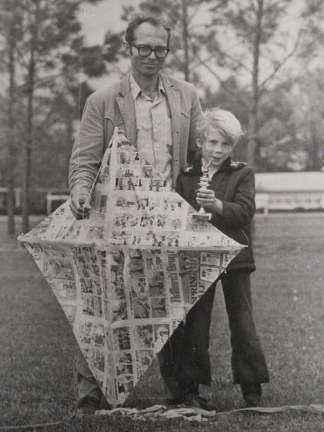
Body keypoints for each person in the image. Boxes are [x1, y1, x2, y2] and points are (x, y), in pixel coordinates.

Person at [68, 14, 204, 414]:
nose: (151, 56)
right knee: (102, 307)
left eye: (160, 49)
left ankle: (183, 391)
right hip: (117, 222)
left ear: (167, 51)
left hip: (168, 220)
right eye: (143, 47)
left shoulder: (186, 97)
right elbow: (84, 161)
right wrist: (79, 190)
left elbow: (200, 155)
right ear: (128, 48)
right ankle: (92, 396)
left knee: (174, 307)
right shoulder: (102, 101)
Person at [158, 108, 269, 409]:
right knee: (196, 322)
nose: (218, 151)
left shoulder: (242, 173)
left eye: (225, 145)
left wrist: (218, 204)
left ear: (232, 147)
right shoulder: (187, 175)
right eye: (212, 143)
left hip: (236, 258)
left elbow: (245, 213)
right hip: (198, 258)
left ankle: (251, 390)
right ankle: (191, 389)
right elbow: (177, 219)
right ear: (199, 142)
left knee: (243, 322)